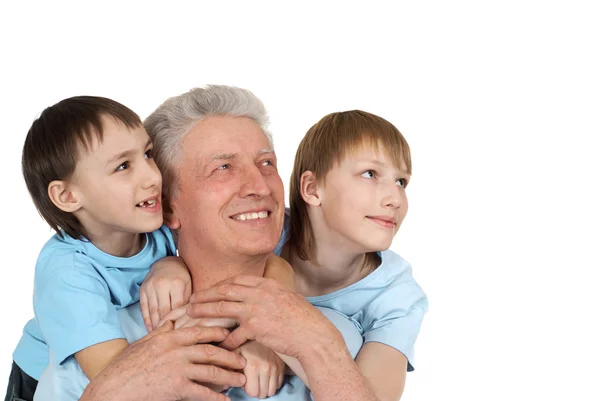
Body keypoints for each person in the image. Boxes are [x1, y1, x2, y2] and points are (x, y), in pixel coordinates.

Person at [36, 85, 392, 401]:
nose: (259, 186)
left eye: (266, 162)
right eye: (223, 167)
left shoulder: (335, 336)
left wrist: (313, 346)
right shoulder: (98, 347)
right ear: (167, 205)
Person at [165, 110, 428, 401]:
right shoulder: (263, 227)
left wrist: (278, 344)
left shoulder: (397, 298)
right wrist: (168, 264)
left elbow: (371, 395)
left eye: (401, 182)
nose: (395, 198)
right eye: (370, 174)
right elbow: (201, 240)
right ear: (312, 189)